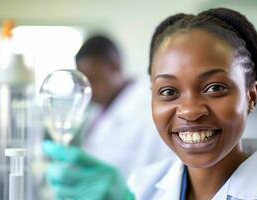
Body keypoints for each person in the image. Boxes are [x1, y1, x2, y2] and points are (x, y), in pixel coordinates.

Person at [43, 8, 257, 200]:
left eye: (214, 88)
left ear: (251, 97)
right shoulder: (142, 185)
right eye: (168, 91)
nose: (190, 110)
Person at [42, 35, 173, 199]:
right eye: (84, 82)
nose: (90, 90)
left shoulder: (147, 111)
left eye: (95, 79)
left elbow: (161, 179)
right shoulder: (100, 108)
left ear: (115, 67)